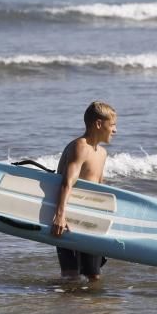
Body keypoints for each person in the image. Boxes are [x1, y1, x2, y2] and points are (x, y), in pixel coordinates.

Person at [51, 101, 118, 282]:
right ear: (98, 124)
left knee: (93, 275)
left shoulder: (102, 153)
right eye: (112, 125)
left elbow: (99, 187)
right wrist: (60, 215)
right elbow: (67, 183)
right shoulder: (80, 147)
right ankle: (67, 308)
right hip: (68, 218)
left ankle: (90, 309)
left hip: (90, 218)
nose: (115, 130)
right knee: (70, 274)